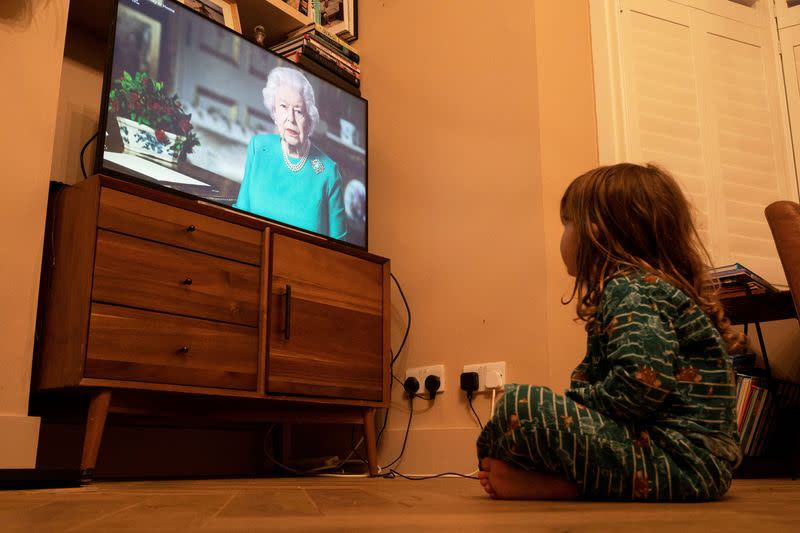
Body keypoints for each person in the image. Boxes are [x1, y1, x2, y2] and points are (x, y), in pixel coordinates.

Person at [477, 163, 744, 501]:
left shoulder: (631, 290)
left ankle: (557, 485)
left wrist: (575, 404)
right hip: (692, 463)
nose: (562, 235)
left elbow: (639, 386)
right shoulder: (644, 290)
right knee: (528, 411)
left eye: (566, 223)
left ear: (594, 232)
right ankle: (552, 480)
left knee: (518, 404)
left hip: (680, 462)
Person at [234, 67, 347, 240]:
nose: (291, 119)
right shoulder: (259, 147)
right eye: (284, 107)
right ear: (275, 112)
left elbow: (340, 248)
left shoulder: (328, 172)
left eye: (299, 111)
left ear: (310, 120)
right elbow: (241, 213)